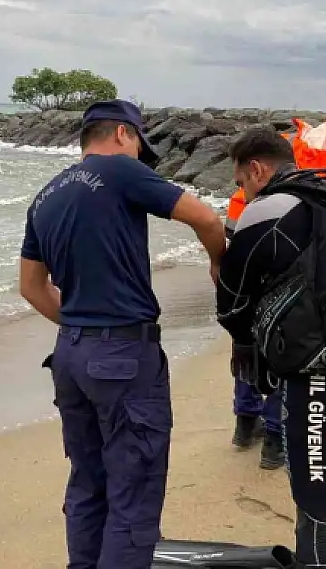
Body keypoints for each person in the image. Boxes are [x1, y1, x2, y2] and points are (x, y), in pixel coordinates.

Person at [19, 99, 227, 568]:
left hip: (70, 356)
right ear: (121, 134)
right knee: (133, 493)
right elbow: (207, 219)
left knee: (89, 483)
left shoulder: (46, 195)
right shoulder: (121, 172)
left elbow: (30, 287)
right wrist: (217, 262)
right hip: (123, 358)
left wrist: (80, 328)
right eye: (138, 144)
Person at [216, 126, 326, 569]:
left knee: (318, 508)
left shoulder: (270, 208)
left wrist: (243, 341)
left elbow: (233, 294)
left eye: (241, 181)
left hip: (316, 381)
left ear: (257, 168)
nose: (243, 190)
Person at [219, 98, 326, 467]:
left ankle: (243, 423)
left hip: (253, 234)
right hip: (305, 263)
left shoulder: (301, 143)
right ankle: (274, 440)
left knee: (249, 339)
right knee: (289, 341)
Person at [225, 190, 284, 468]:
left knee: (246, 345)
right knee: (279, 352)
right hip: (279, 284)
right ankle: (275, 436)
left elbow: (232, 239)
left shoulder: (242, 196)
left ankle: (246, 423)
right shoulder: (293, 186)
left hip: (243, 284)